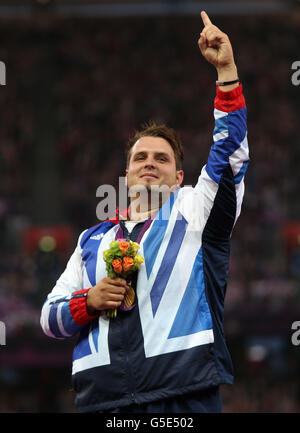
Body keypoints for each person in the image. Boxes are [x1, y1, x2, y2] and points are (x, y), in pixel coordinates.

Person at [40, 11, 249, 413]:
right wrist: (91, 300)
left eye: (162, 158)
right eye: (141, 157)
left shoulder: (193, 211)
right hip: (103, 403)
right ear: (127, 173)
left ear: (179, 177)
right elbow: (49, 319)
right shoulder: (91, 241)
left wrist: (226, 72)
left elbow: (230, 158)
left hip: (182, 395)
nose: (150, 163)